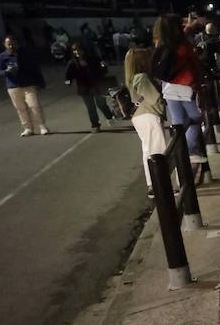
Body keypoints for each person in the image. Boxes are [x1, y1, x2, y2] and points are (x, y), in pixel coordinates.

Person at [153, 15, 208, 168]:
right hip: (185, 85)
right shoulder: (182, 44)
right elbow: (194, 64)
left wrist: (191, 26)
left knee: (178, 121)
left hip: (168, 87)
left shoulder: (161, 42)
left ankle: (182, 154)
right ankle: (188, 150)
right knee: (196, 117)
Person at [125, 45, 168, 197]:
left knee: (148, 151)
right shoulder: (142, 77)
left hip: (140, 116)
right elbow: (155, 98)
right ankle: (161, 186)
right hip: (149, 115)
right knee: (158, 151)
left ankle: (152, 185)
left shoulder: (133, 78)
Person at [0, 34, 49, 136]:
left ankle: (42, 126)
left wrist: (41, 82)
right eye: (8, 44)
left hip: (28, 85)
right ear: (4, 44)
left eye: (13, 44)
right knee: (21, 109)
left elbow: (35, 68)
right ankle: (28, 128)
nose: (11, 46)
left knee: (34, 106)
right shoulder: (2, 57)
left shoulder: (26, 54)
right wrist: (6, 71)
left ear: (17, 43)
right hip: (13, 87)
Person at [65, 42, 116, 131]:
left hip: (96, 85)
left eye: (78, 50)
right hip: (84, 88)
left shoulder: (93, 59)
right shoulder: (72, 63)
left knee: (101, 104)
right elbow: (68, 75)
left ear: (83, 50)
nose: (76, 52)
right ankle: (95, 125)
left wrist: (103, 68)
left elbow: (103, 68)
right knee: (90, 107)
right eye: (74, 51)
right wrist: (68, 81)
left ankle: (109, 116)